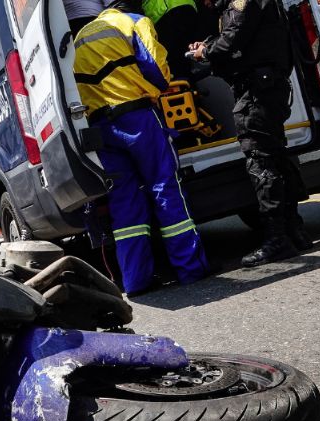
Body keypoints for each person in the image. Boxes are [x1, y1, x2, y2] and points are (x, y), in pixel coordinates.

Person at [73, 0, 209, 294]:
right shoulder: (135, 21)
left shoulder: (82, 35)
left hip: (100, 127)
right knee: (164, 186)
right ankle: (191, 269)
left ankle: (136, 281)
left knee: (124, 203)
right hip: (137, 118)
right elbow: (158, 71)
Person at [189, 0, 312, 267]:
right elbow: (245, 34)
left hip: (257, 92)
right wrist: (210, 44)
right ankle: (295, 231)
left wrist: (205, 51)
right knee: (276, 157)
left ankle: (277, 240)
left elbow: (234, 38)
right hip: (266, 86)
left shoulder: (242, 1)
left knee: (261, 162)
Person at [142, 0, 200, 79]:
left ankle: (186, 81)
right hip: (187, 6)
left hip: (163, 12)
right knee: (187, 49)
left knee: (174, 57)